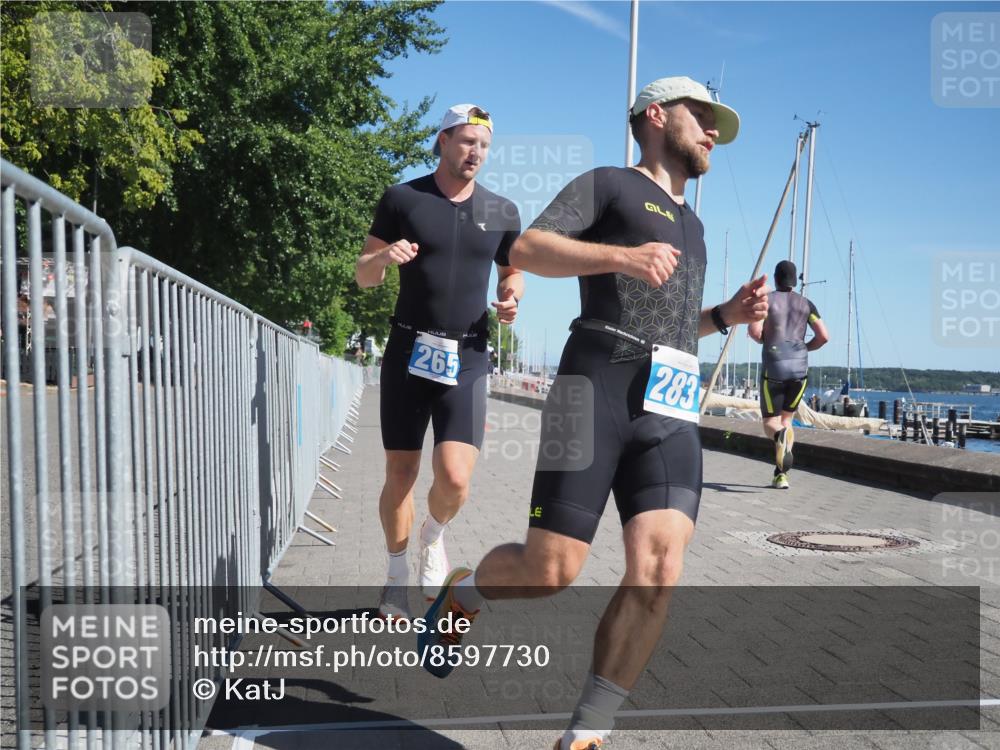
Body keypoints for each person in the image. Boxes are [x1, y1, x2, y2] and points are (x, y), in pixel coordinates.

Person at [419, 77, 767, 750]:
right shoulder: (608, 183)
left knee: (661, 571)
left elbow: (667, 320)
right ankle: (464, 595)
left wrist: (725, 315)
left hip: (667, 398)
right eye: (703, 116)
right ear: (657, 115)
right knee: (552, 571)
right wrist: (621, 255)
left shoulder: (693, 226)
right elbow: (524, 250)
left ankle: (585, 735)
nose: (713, 131)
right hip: (594, 384)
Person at [355, 104, 524, 619]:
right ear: (444, 140)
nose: (477, 153)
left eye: (485, 146)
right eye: (468, 142)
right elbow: (363, 274)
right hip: (408, 351)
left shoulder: (502, 210)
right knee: (401, 473)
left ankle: (434, 535)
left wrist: (511, 298)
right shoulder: (403, 198)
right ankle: (394, 574)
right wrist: (384, 259)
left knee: (454, 477)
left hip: (469, 352)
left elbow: (512, 272)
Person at [748, 260, 829, 489]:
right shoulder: (807, 304)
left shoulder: (767, 301)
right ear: (795, 281)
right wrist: (804, 347)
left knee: (770, 423)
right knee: (787, 421)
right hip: (799, 369)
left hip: (774, 366)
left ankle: (778, 438)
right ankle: (781, 475)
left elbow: (755, 332)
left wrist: (768, 340)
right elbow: (824, 336)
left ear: (775, 279)